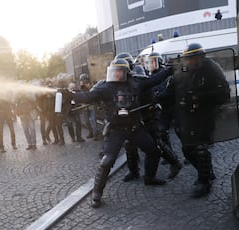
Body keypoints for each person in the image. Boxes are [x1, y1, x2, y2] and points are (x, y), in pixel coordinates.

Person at [63, 58, 172, 208]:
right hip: (116, 130)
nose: (116, 75)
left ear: (126, 72)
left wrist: (170, 70)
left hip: (135, 128)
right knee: (107, 161)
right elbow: (88, 97)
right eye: (114, 72)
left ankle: (149, 177)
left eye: (120, 72)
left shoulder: (136, 83)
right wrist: (72, 95)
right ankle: (97, 193)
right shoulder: (106, 87)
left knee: (154, 151)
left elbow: (154, 80)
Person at [169, 43, 230, 197]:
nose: (190, 62)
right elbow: (176, 86)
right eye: (188, 59)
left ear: (201, 57)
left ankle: (204, 182)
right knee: (187, 149)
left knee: (201, 148)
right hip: (188, 114)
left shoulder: (212, 69)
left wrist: (200, 96)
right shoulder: (185, 71)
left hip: (207, 112)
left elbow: (223, 93)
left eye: (193, 58)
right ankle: (207, 172)